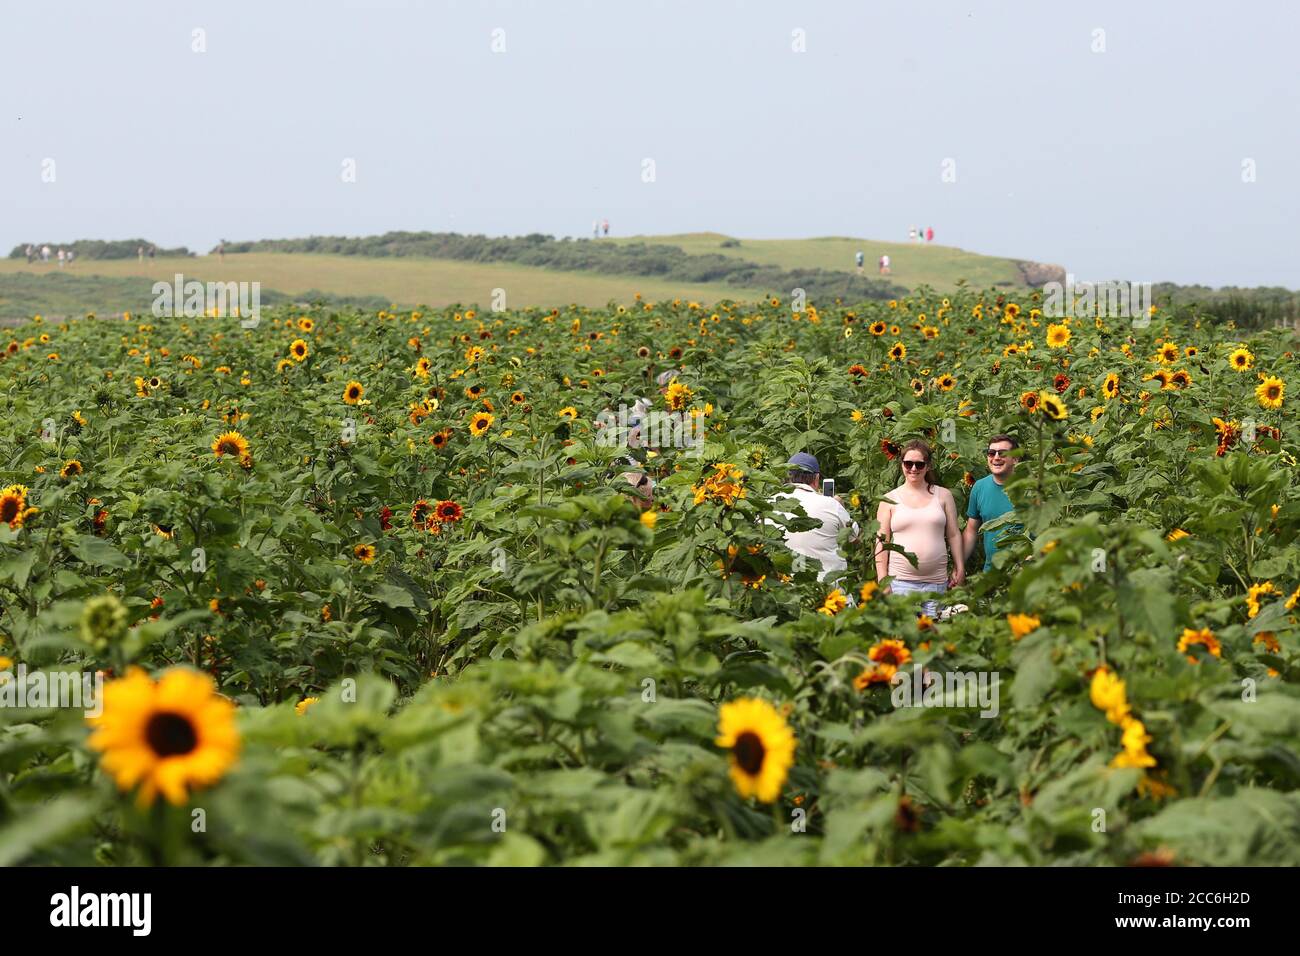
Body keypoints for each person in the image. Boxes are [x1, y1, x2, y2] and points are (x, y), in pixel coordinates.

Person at [874, 439, 964, 617]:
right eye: (908, 463)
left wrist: (960, 567)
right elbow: (881, 541)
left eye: (919, 464)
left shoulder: (943, 495)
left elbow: (953, 534)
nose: (913, 469)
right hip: (900, 584)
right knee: (903, 638)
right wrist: (883, 580)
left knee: (935, 637)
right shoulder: (889, 499)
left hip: (936, 583)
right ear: (902, 465)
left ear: (928, 466)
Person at [771, 452, 859, 582]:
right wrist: (840, 506)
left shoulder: (770, 503)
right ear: (816, 478)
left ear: (787, 476)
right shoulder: (831, 504)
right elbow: (855, 538)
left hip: (785, 590)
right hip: (828, 591)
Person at [963, 433, 1021, 573]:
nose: (996, 457)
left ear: (1015, 459)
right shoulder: (979, 487)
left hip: (1024, 573)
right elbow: (971, 530)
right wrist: (959, 565)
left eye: (1002, 453)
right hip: (992, 573)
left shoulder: (1031, 486)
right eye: (991, 453)